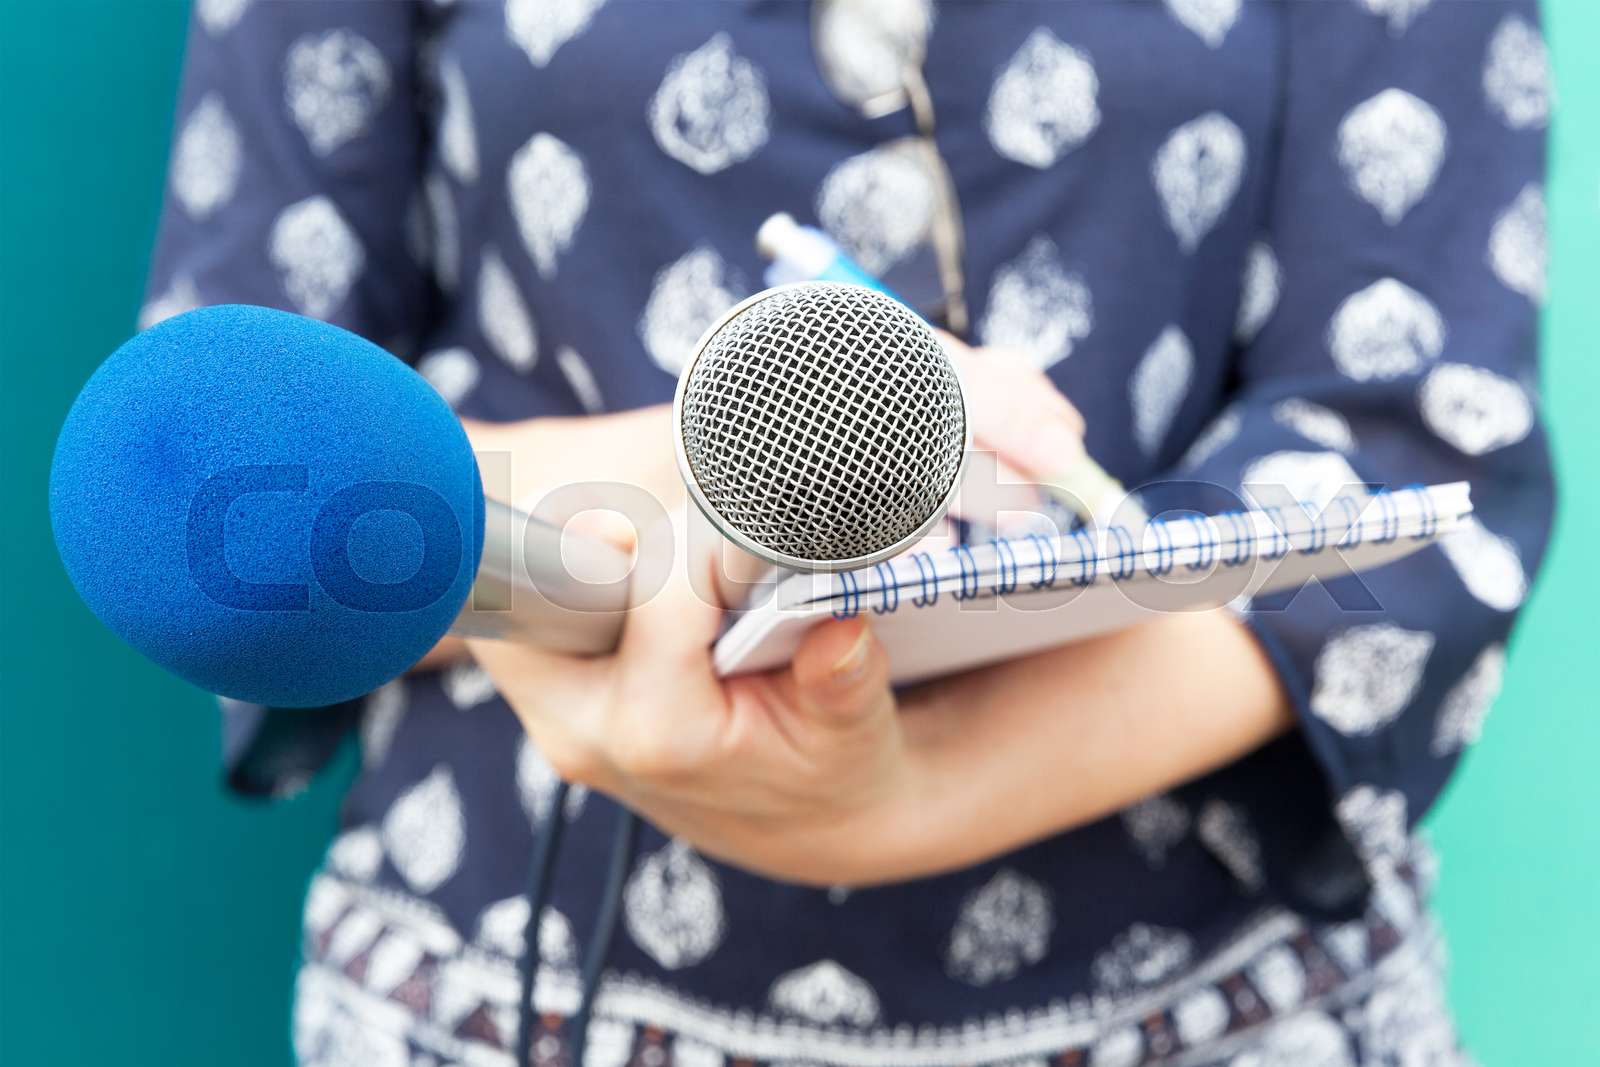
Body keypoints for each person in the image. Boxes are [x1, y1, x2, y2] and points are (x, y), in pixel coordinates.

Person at [144, 1, 1553, 1064]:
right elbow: (221, 470)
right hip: (505, 987)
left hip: (1210, 999)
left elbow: (1418, 440)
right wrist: (785, 448)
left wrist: (899, 796)